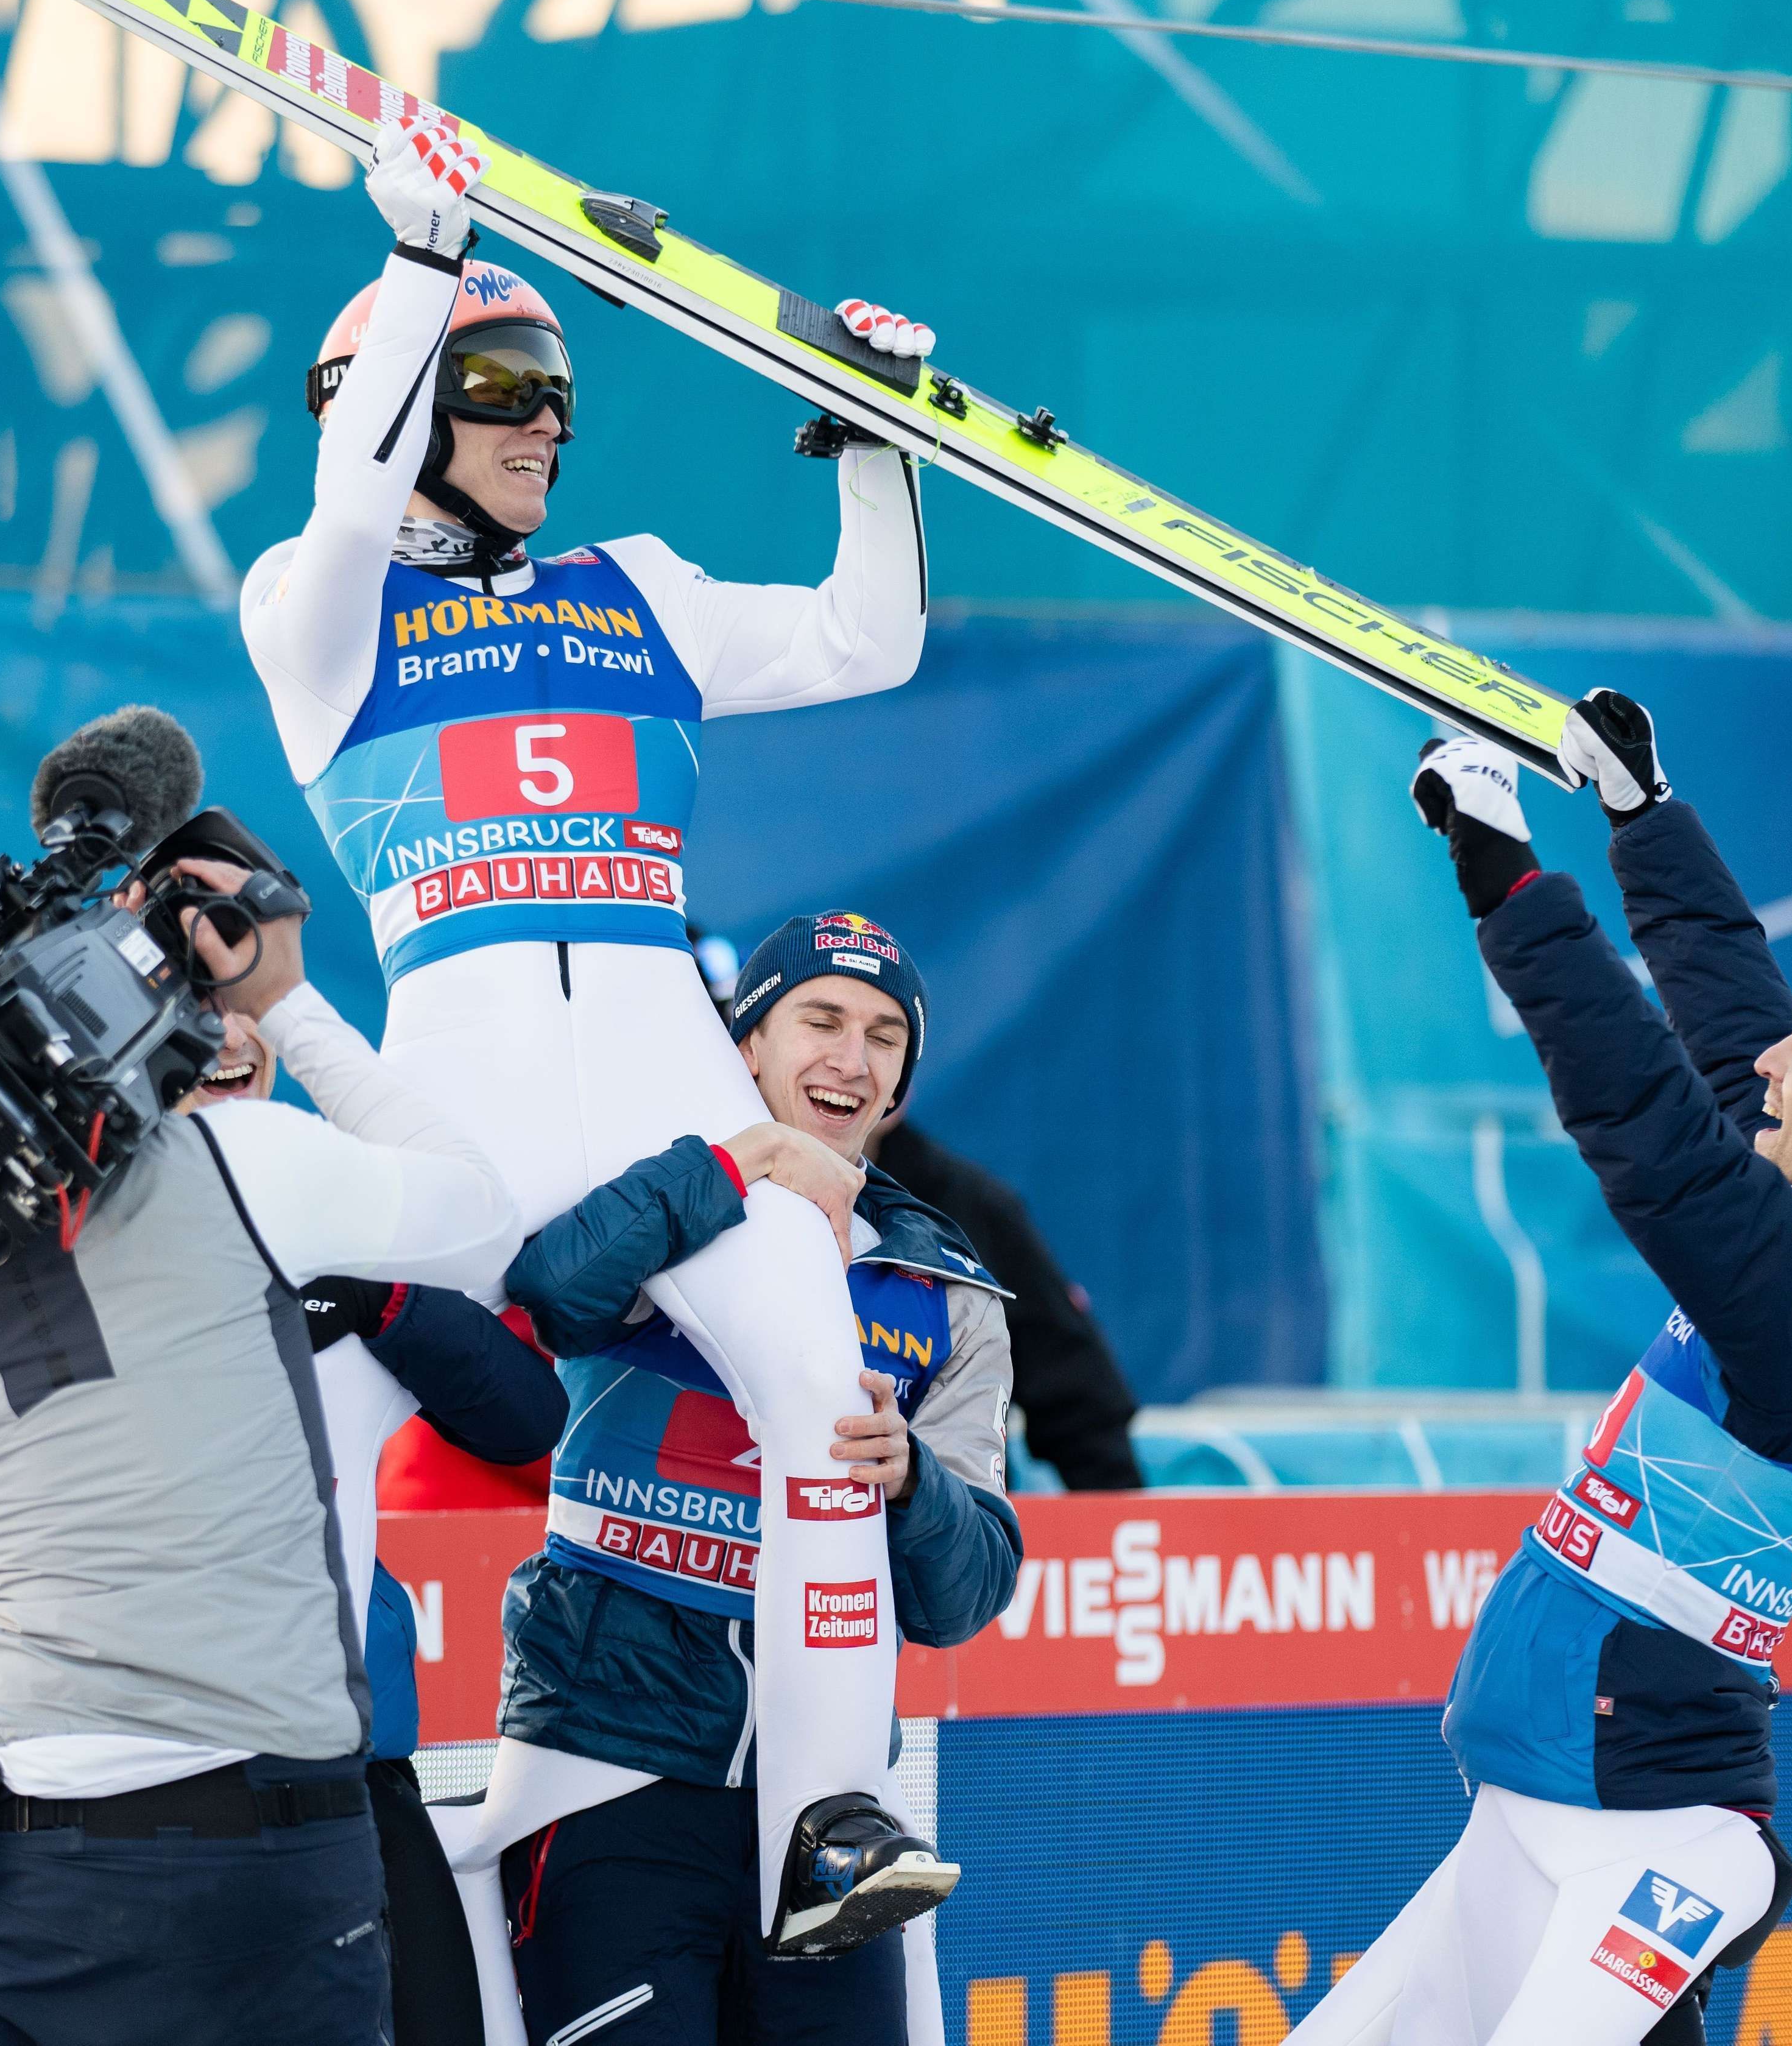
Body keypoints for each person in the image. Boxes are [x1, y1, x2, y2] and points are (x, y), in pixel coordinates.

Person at [244, 107, 948, 1952]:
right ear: (398, 405)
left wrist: (874, 445)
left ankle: (825, 1818)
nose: (547, 426)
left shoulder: (631, 584)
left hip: (667, 1091)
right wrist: (415, 268)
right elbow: (337, 506)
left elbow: (864, 642)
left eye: (559, 396)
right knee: (317, 1408)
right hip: (463, 1106)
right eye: (507, 390)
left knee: (819, 1394)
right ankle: (298, 1794)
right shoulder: (318, 618)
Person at [1289, 696, 1792, 2046]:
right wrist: (1647, 817)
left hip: (1636, 1810)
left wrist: (1502, 870)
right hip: (1568, 1784)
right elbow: (1734, 1018)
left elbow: (1647, 1121)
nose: (1767, 1067)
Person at [0, 731, 524, 2046]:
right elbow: (480, 1220)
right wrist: (280, 998)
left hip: (38, 1870)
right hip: (287, 1853)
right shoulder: (235, 1170)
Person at [488, 911, 1021, 2045]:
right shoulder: (659, 1201)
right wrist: (742, 1165)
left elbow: (965, 1594)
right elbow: (550, 1292)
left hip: (829, 1817)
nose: (850, 1056)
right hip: (611, 1772)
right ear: (747, 1045)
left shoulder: (946, 1287)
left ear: (901, 1089)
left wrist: (913, 1481)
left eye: (884, 1037)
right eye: (819, 1019)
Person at [182, 1025, 568, 2046]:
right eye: (182, 995)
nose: (225, 1032)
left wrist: (378, 1302)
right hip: (155, 1806)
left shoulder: (341, 1212)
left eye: (241, 991)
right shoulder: (54, 1247)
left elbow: (530, 1415)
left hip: (356, 1780)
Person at [869, 1116, 1145, 1489]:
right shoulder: (762, 1200)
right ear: (758, 1059)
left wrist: (1119, 1531)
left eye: (886, 1052)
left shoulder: (968, 1208)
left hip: (932, 1530)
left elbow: (1076, 1393)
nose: (853, 1066)